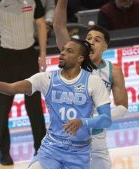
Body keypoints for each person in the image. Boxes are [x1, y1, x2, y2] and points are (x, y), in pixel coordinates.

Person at [0, 38, 112, 169]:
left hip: (79, 152)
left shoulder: (93, 81)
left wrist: (82, 122)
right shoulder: (46, 79)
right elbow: (11, 89)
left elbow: (106, 119)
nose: (62, 53)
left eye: (69, 51)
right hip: (52, 148)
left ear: (80, 58)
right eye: (62, 50)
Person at [53, 0, 128, 168]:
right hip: (69, 138)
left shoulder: (113, 71)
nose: (91, 42)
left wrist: (94, 120)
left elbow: (122, 107)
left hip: (97, 140)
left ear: (105, 46)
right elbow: (58, 26)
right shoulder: (74, 61)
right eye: (88, 38)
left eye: (97, 40)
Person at [0, 0, 47, 165]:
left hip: (29, 55)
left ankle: (42, 149)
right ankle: (4, 152)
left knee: (35, 106)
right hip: (5, 58)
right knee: (3, 107)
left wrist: (43, 54)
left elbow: (41, 23)